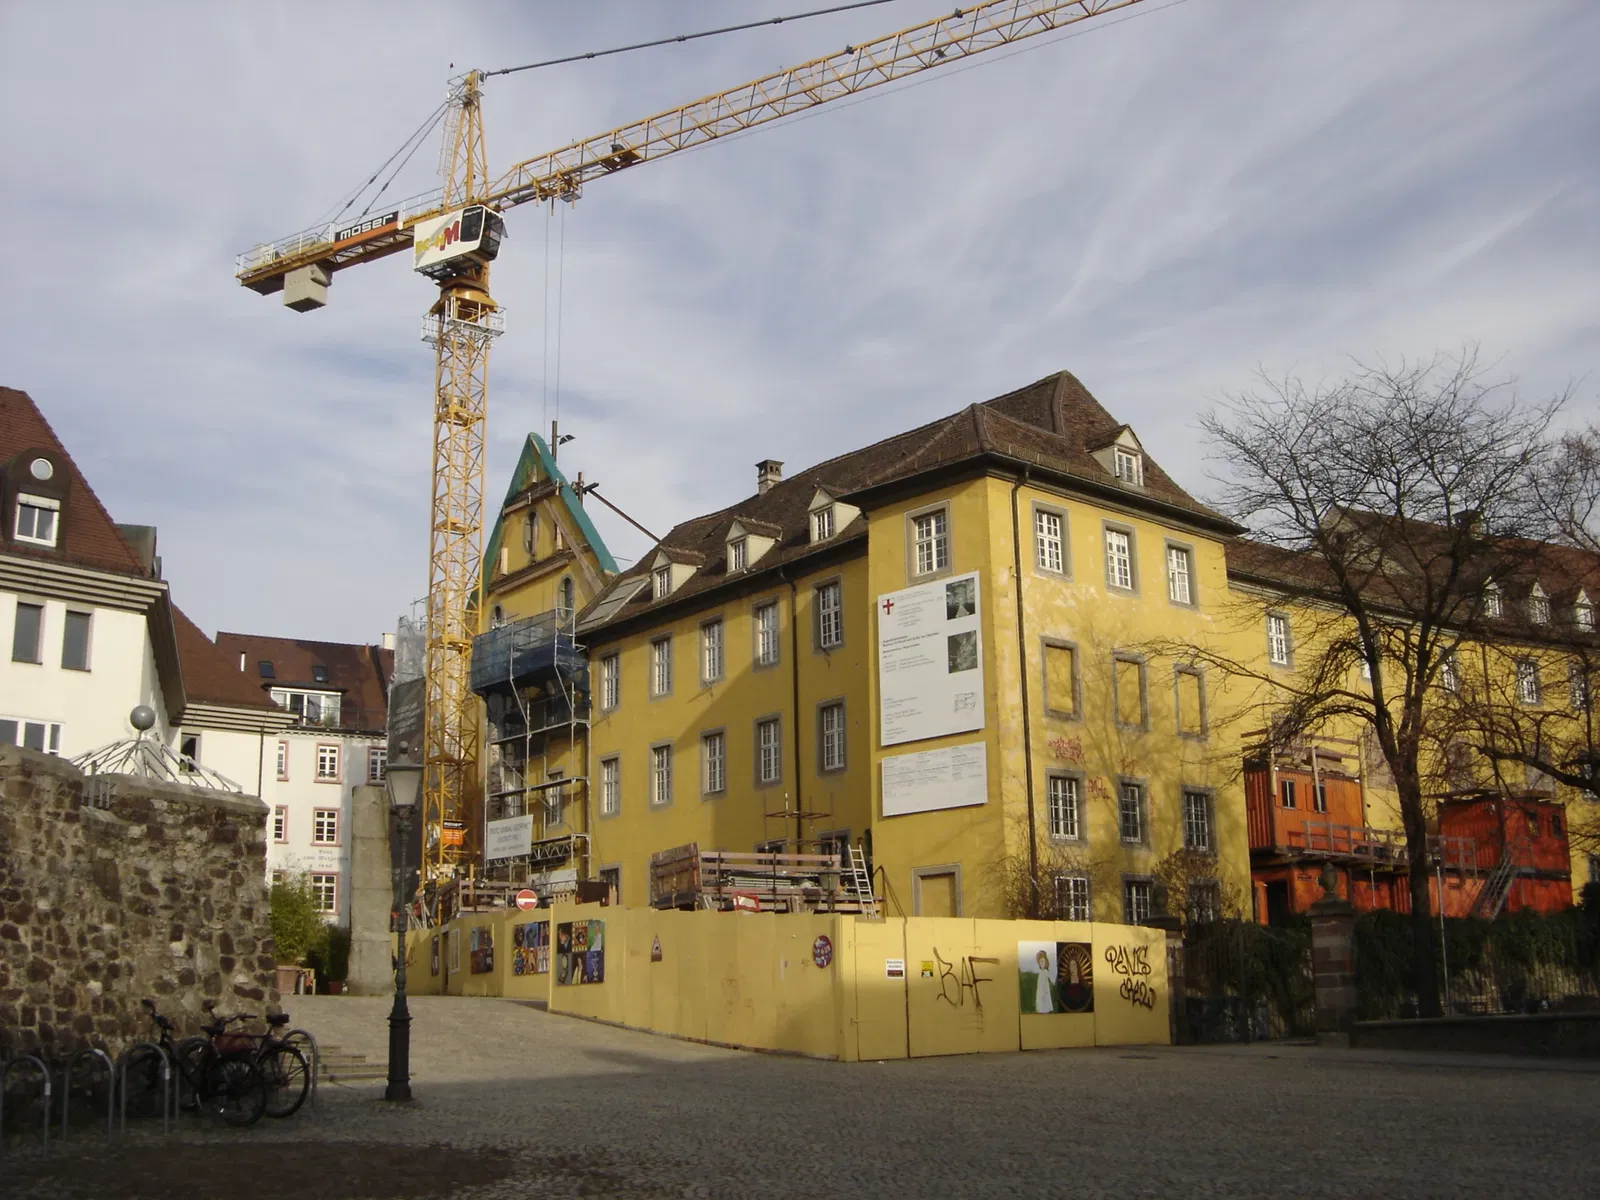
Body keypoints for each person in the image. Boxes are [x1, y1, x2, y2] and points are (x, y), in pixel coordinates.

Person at [1034, 949, 1056, 1013]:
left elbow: (1052, 980)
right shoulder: (1040, 973)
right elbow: (1039, 985)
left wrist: (1053, 981)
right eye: (1040, 962)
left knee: (1045, 1008)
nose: (1041, 963)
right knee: (1040, 1008)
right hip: (1040, 993)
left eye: (1043, 961)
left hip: (1045, 994)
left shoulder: (1046, 972)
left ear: (1046, 961)